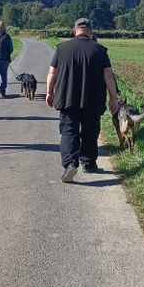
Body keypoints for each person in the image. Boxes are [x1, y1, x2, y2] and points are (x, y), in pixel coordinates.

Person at [45, 17, 119, 182]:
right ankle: (89, 163)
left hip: (67, 97)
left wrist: (49, 92)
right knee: (90, 132)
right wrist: (114, 98)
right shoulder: (99, 50)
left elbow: (52, 73)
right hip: (92, 99)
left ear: (74, 31)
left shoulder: (62, 48)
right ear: (91, 32)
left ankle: (70, 164)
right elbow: (108, 75)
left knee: (69, 131)